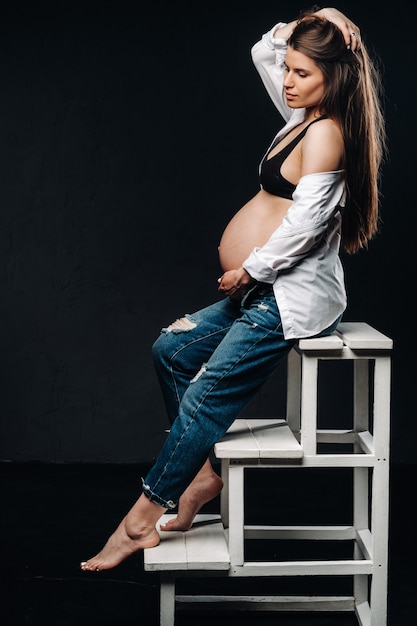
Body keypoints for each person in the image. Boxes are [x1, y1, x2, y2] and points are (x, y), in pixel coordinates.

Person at [80, 6, 386, 571]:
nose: (288, 81)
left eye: (301, 73)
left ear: (333, 78)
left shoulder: (328, 135)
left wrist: (251, 270)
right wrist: (318, 15)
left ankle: (139, 521)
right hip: (260, 292)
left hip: (288, 299)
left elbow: (308, 225)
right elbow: (262, 51)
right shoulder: (299, 115)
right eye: (289, 71)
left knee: (206, 398)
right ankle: (200, 477)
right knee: (171, 350)